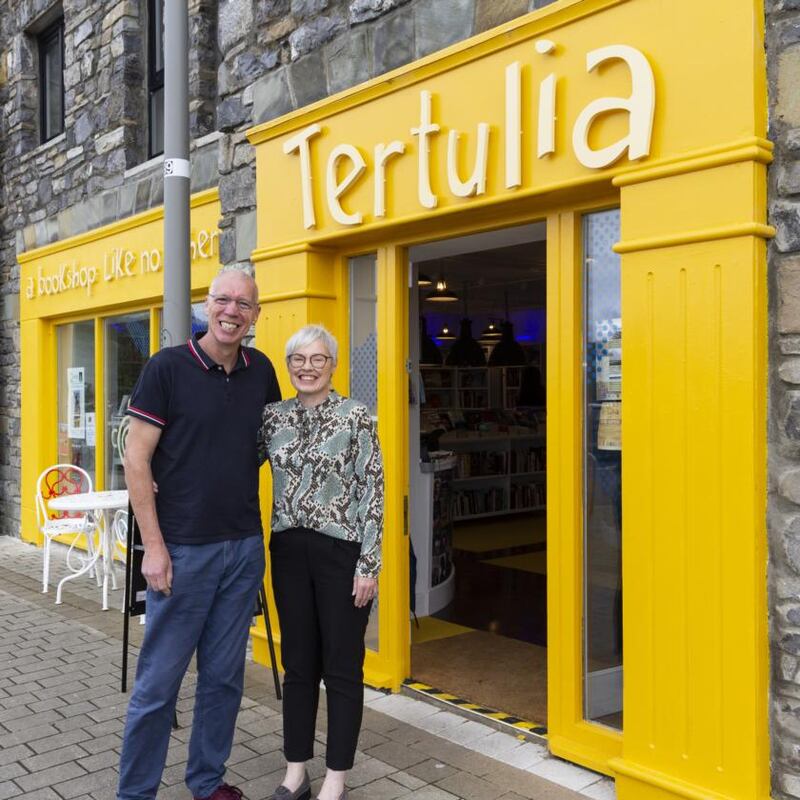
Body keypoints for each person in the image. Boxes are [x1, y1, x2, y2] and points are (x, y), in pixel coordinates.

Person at [117, 268, 281, 800]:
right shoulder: (168, 368)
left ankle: (206, 781)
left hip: (243, 548)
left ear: (256, 315)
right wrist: (155, 549)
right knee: (159, 686)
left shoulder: (262, 372)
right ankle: (136, 792)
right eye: (223, 300)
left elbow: (266, 447)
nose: (232, 311)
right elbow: (135, 460)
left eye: (244, 304)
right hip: (182, 552)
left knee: (224, 679)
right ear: (207, 306)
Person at [257, 324, 383, 800]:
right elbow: (235, 463)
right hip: (288, 551)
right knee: (298, 665)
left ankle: (336, 778)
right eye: (298, 360)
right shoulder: (273, 417)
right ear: (288, 366)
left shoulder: (356, 417)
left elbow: (373, 492)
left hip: (341, 553)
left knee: (343, 667)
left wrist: (369, 564)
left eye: (317, 359)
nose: (307, 368)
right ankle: (296, 772)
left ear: (332, 365)